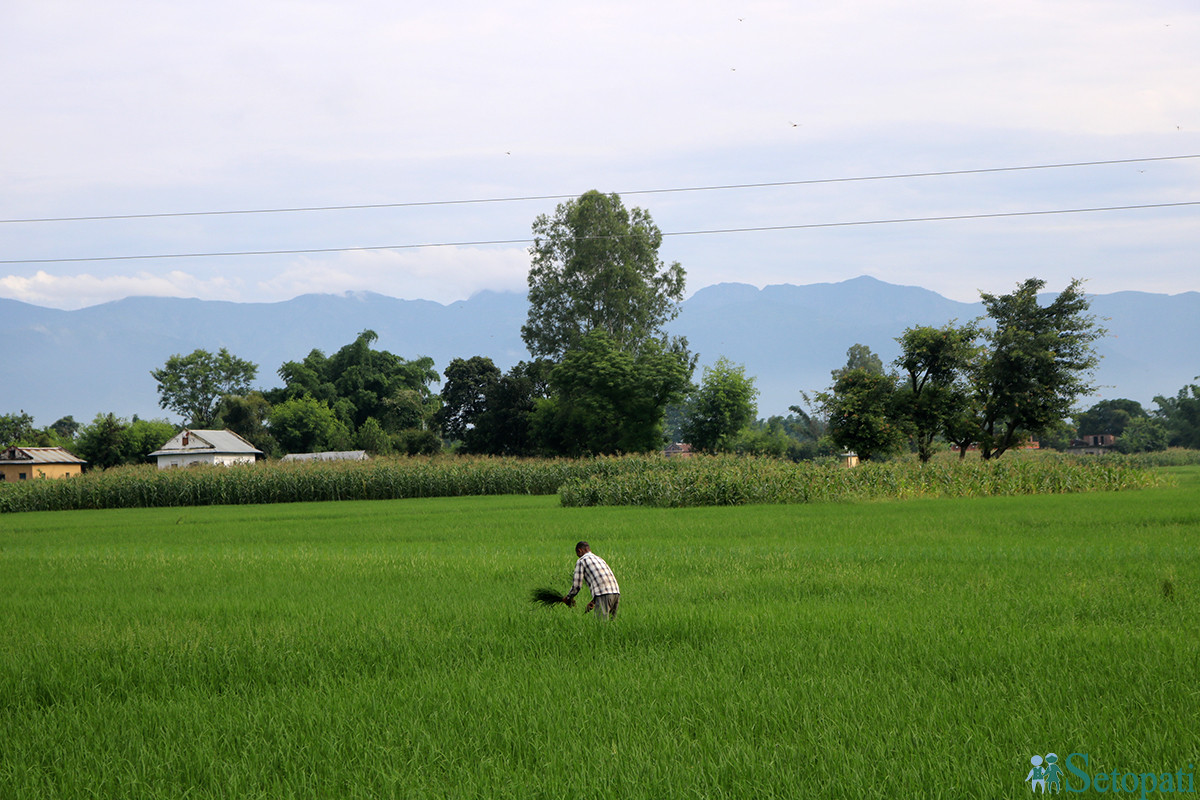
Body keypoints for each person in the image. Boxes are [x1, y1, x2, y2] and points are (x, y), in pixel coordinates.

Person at [564, 541, 620, 619]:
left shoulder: (582, 560)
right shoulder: (599, 559)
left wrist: (568, 598)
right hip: (616, 592)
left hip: (603, 594)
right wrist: (594, 601)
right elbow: (602, 579)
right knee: (611, 625)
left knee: (601, 625)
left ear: (579, 551)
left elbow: (577, 585)